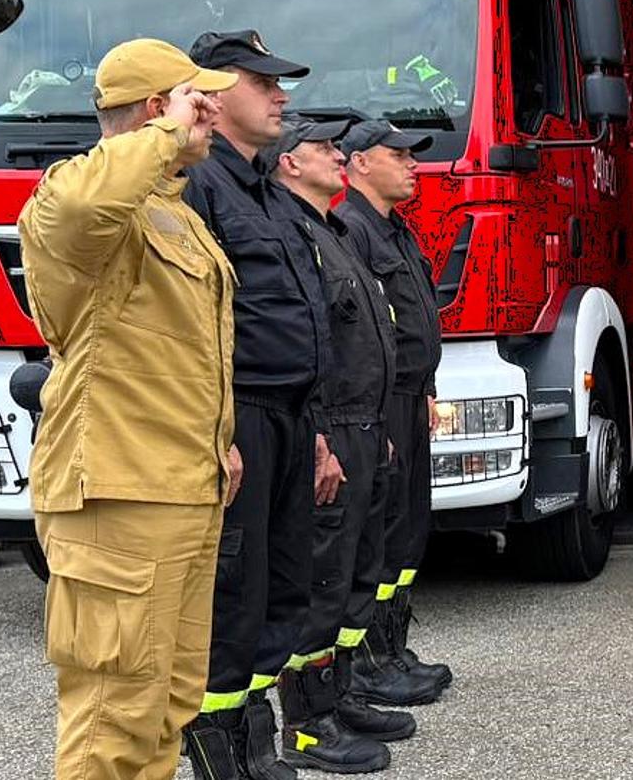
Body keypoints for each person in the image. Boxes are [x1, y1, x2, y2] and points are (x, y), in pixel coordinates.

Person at [17, 38, 238, 780]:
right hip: (118, 492)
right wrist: (168, 132)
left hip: (181, 487)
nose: (211, 116)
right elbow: (84, 200)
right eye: (195, 101)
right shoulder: (75, 202)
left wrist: (221, 443)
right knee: (113, 720)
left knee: (168, 705)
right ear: (155, 109)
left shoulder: (171, 212)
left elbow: (176, 352)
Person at [182, 28, 334, 780]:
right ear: (208, 92)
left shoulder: (265, 191)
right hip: (236, 414)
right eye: (263, 83)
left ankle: (256, 744)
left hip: (289, 416)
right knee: (232, 595)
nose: (281, 96)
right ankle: (217, 755)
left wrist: (317, 431)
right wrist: (216, 430)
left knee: (280, 587)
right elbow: (187, 324)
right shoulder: (194, 184)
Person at [265, 115, 412, 773]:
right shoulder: (295, 235)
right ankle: (305, 723)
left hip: (363, 428)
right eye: (321, 148)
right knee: (321, 584)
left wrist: (374, 427)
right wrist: (321, 437)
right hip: (332, 432)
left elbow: (364, 339)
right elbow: (306, 349)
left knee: (355, 576)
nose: (336, 156)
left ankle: (340, 692)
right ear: (288, 165)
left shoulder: (334, 232)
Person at [334, 120, 453, 704]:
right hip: (380, 406)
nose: (412, 165)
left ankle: (391, 649)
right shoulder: (350, 230)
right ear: (358, 163)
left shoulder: (394, 230)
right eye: (398, 154)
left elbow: (412, 317)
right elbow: (357, 335)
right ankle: (367, 664)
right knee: (375, 539)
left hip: (410, 399)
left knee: (406, 534)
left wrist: (426, 386)